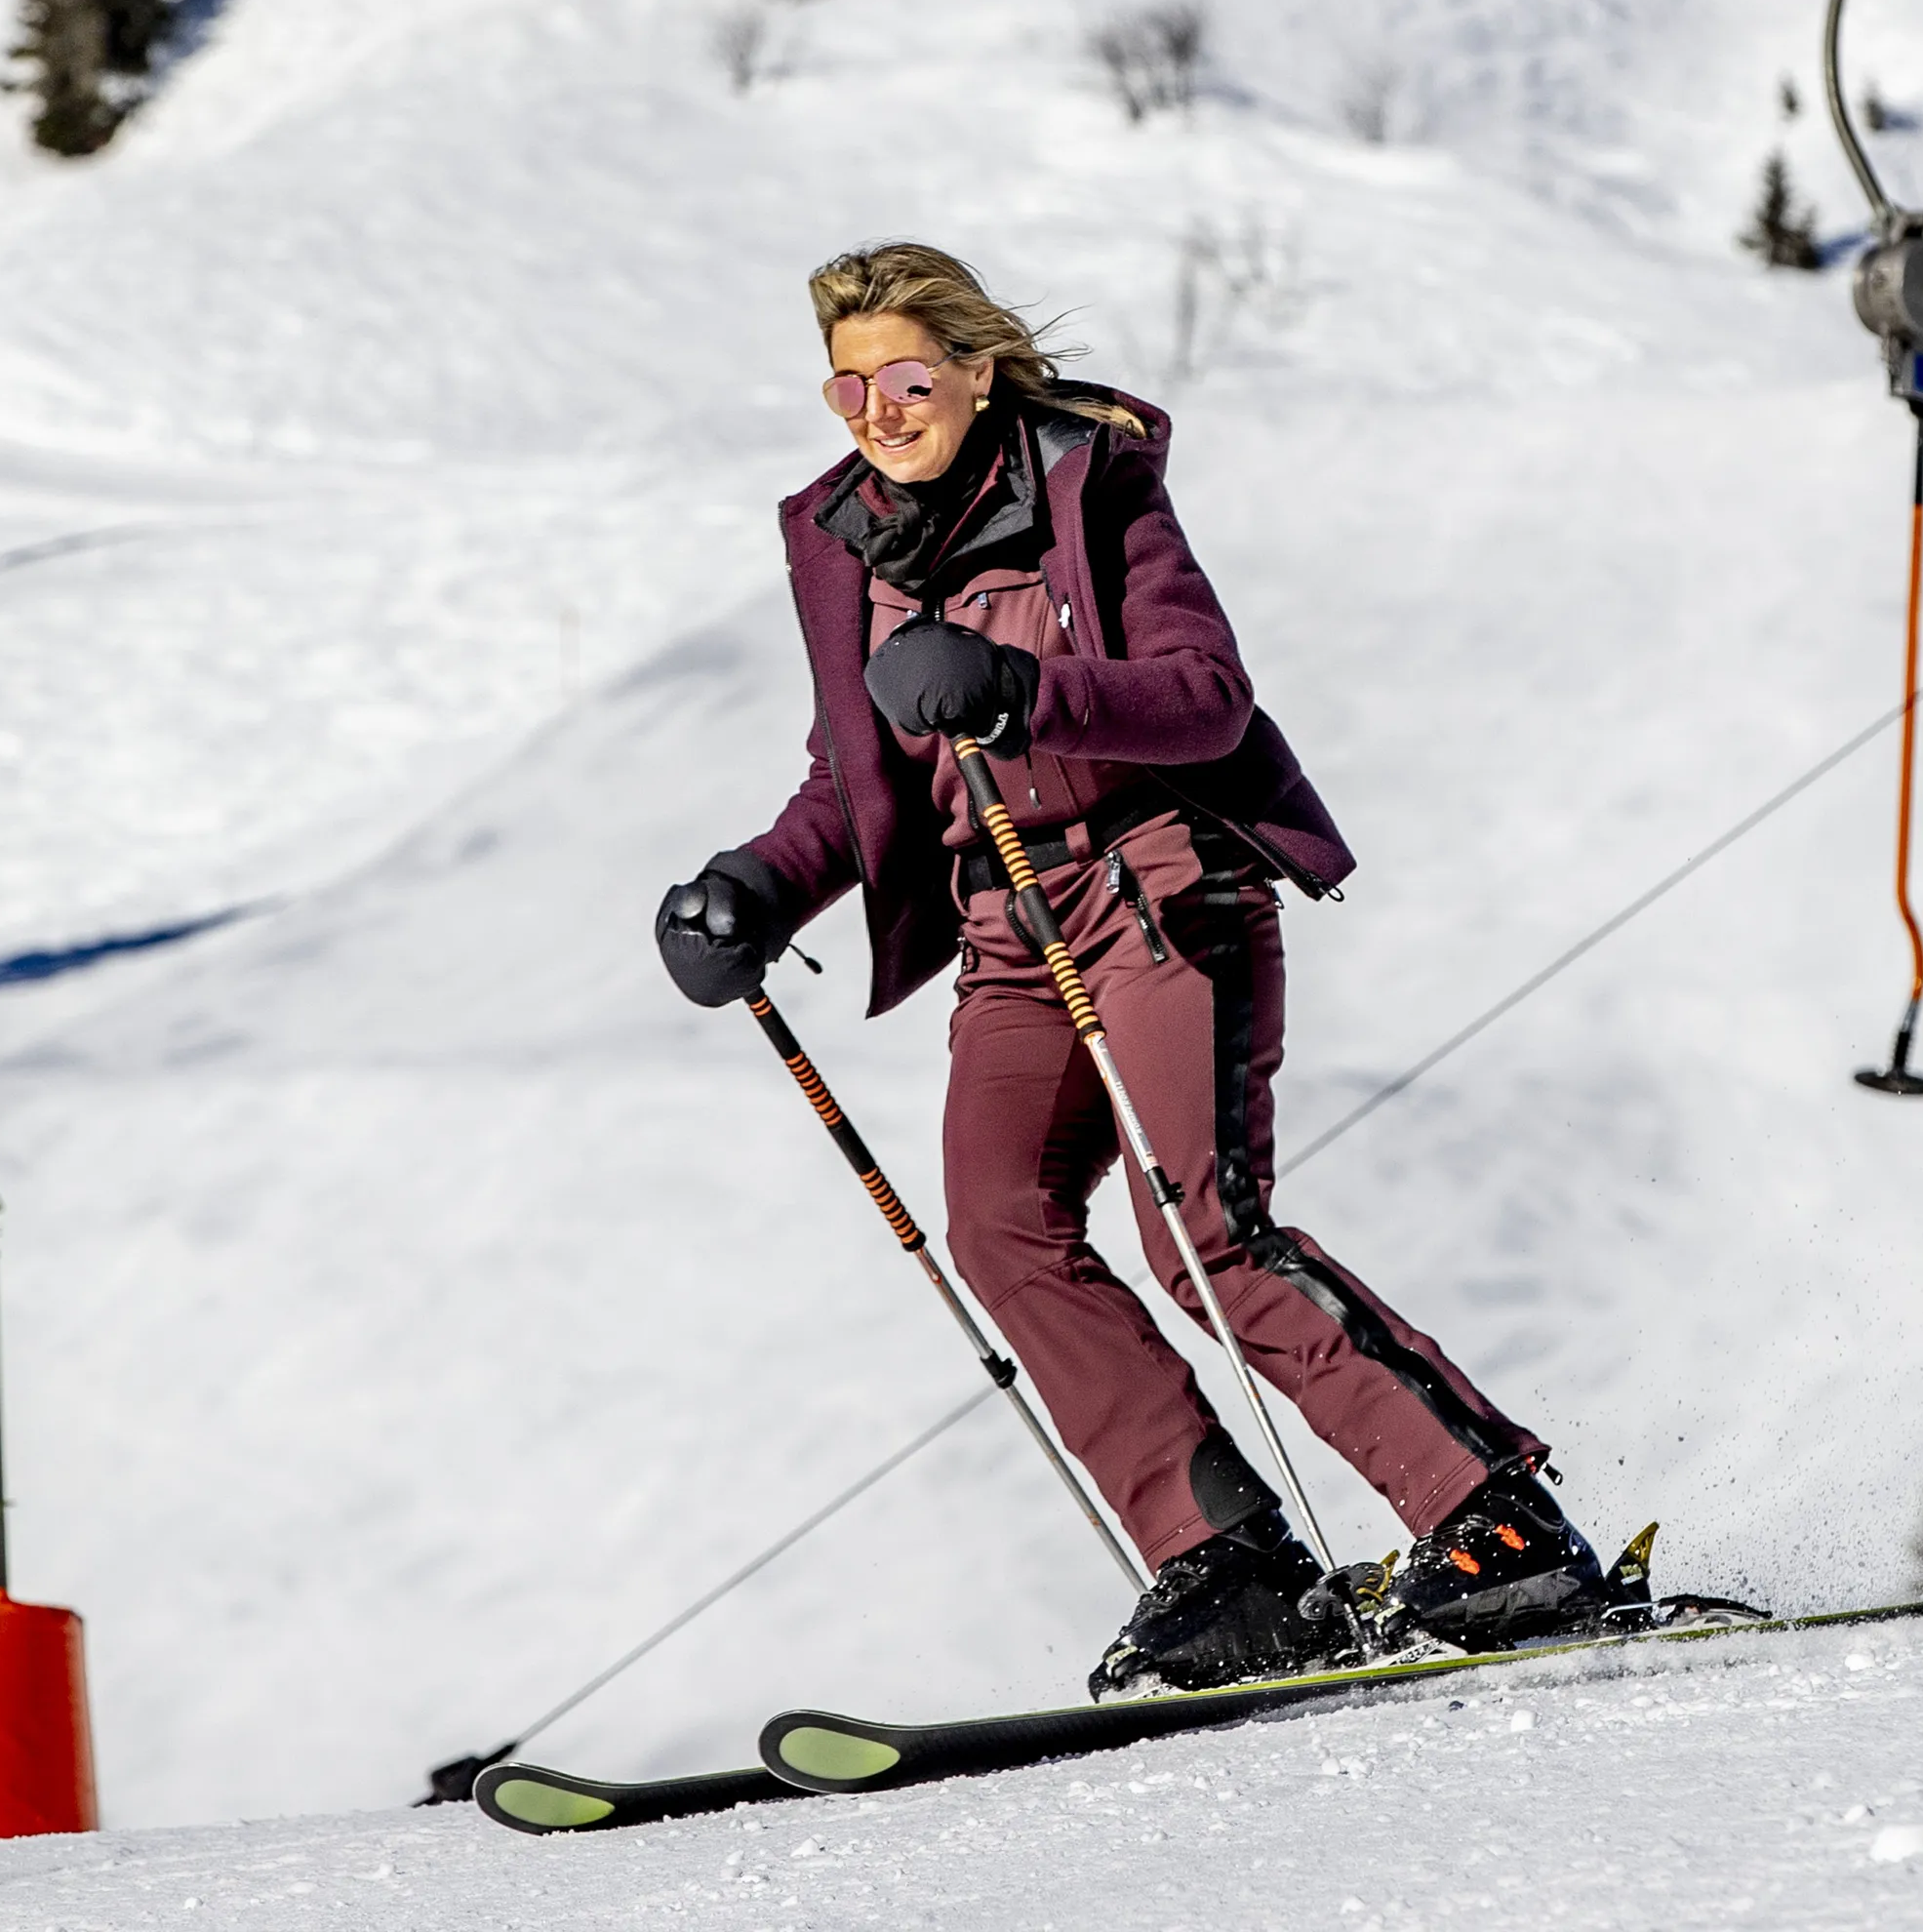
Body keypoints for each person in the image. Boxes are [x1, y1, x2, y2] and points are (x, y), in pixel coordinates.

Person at [655, 240, 1608, 1691]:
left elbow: (1205, 699)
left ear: (979, 371)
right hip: (1008, 933)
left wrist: (1021, 689)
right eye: (848, 386)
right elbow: (856, 788)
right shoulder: (844, 546)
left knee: (1204, 1236)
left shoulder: (1091, 488)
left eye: (910, 377)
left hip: (1159, 891)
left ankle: (1495, 1526)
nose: (878, 410)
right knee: (1000, 1230)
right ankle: (1228, 1563)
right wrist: (752, 887)